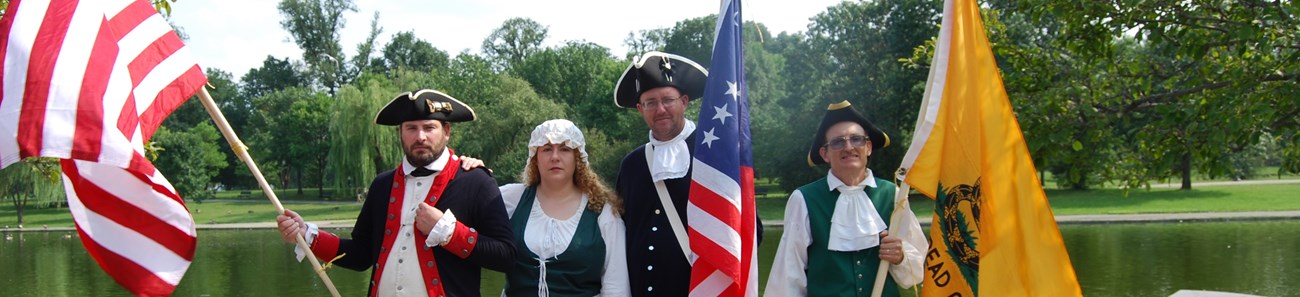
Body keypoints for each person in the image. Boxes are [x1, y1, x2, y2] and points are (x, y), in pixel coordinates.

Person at [277, 89, 515, 297]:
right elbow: (361, 255)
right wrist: (308, 235)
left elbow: (505, 255)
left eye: (429, 127)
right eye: (411, 128)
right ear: (400, 133)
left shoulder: (476, 181)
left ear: (447, 131)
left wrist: (448, 232)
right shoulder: (383, 184)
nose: (420, 136)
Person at [611, 51, 762, 296]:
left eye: (667, 99)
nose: (660, 109)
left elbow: (749, 230)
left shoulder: (714, 156)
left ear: (684, 101)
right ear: (640, 109)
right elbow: (621, 230)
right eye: (650, 103)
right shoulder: (632, 164)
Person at [764, 101, 926, 297]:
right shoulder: (804, 199)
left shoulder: (893, 195)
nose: (848, 147)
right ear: (825, 154)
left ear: (868, 147)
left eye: (856, 139)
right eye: (838, 142)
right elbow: (789, 275)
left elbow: (916, 274)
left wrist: (900, 257)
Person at [496, 119, 629, 296]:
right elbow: (467, 213)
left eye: (565, 149)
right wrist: (471, 172)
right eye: (547, 149)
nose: (555, 157)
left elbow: (616, 286)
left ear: (577, 158)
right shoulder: (512, 199)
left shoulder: (603, 212)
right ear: (536, 157)